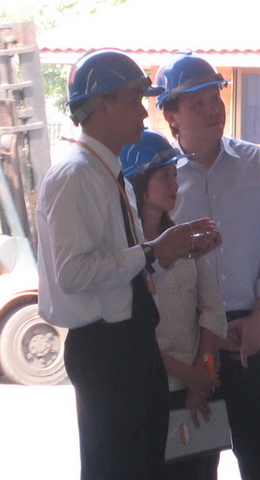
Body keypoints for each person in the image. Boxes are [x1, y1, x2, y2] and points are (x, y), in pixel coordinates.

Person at [37, 49, 218, 480]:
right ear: (102, 106)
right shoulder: (76, 176)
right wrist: (153, 251)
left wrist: (169, 252)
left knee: (141, 466)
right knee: (117, 468)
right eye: (135, 99)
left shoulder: (105, 172)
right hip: (107, 350)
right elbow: (73, 273)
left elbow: (118, 270)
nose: (143, 111)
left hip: (129, 346)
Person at [154, 52, 260, 480]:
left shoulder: (256, 163)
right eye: (198, 103)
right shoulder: (161, 180)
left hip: (252, 336)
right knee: (192, 467)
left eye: (215, 98)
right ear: (171, 117)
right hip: (192, 346)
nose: (213, 109)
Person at [120, 129, 227, 480]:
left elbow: (213, 309)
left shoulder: (185, 238)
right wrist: (189, 375)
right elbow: (133, 333)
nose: (174, 184)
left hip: (198, 387)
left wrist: (202, 373)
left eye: (174, 174)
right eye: (163, 176)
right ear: (137, 183)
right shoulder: (125, 254)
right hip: (151, 392)